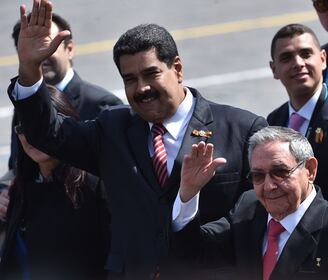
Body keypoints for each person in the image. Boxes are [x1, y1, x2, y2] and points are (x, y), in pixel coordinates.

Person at [8, 1, 267, 278]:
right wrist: (29, 68)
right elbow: (47, 134)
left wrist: (186, 223)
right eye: (129, 79)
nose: (141, 88)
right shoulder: (112, 129)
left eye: (151, 73)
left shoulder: (242, 129)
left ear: (177, 69)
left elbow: (255, 216)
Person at [172, 126, 328, 280]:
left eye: (280, 172)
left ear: (310, 170)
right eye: (258, 176)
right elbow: (193, 254)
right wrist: (188, 194)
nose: (268, 186)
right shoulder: (249, 208)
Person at [0, 85, 110, 280]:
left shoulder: (95, 185)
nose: (34, 136)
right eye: (24, 128)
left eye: (43, 127)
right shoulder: (19, 188)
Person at [7, 12, 123, 171]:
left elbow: (115, 170)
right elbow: (16, 164)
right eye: (32, 47)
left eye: (47, 45)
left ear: (69, 49)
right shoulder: (25, 101)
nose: (40, 55)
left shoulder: (101, 104)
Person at [266, 23, 328, 202]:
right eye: (286, 58)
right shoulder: (274, 121)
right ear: (274, 69)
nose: (298, 63)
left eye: (306, 54)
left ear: (323, 59)